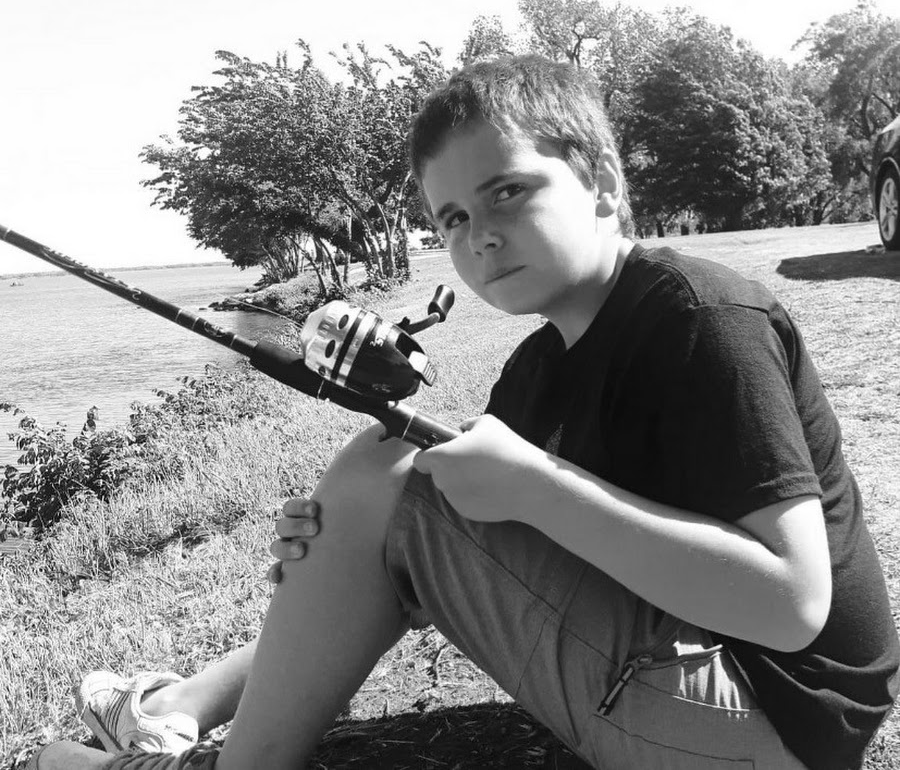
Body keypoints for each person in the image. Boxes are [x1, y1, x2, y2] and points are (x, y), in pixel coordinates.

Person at [30, 55, 899, 770]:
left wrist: (533, 489)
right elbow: (444, 560)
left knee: (384, 473)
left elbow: (792, 604)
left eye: (507, 192)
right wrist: (342, 546)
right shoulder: (538, 368)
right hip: (720, 697)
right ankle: (185, 704)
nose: (478, 233)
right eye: (451, 217)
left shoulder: (700, 318)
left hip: (782, 726)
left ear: (601, 183)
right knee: (380, 483)